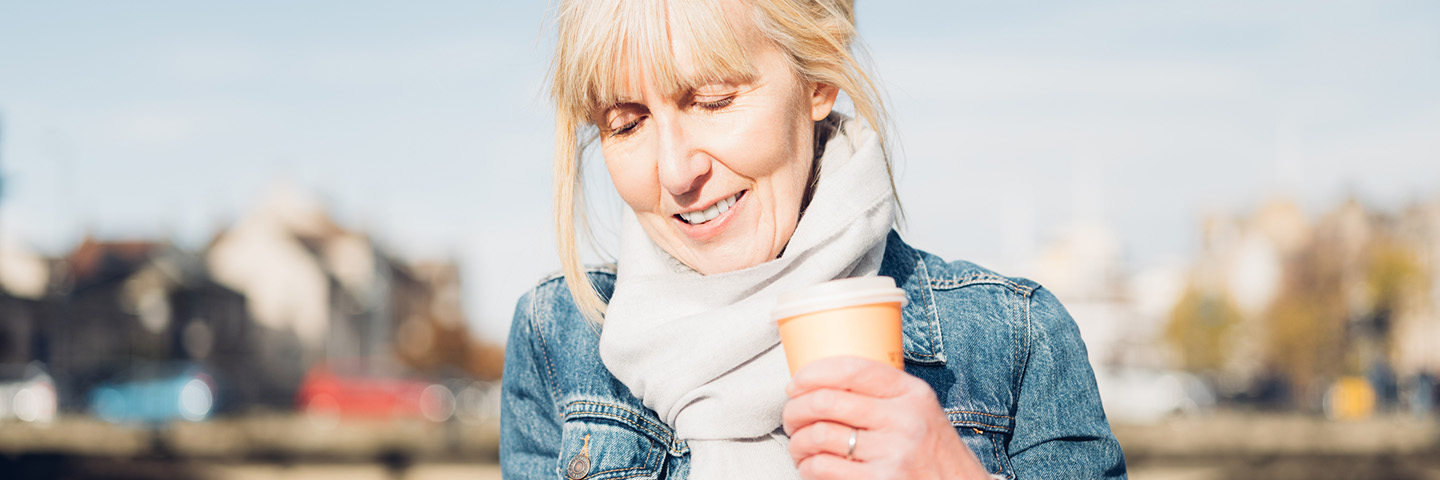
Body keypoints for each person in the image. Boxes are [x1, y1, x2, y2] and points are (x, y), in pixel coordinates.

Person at [501, 0, 1127, 478]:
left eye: (713, 101)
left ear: (818, 81)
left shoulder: (1015, 341)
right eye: (627, 123)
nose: (674, 172)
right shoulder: (557, 337)